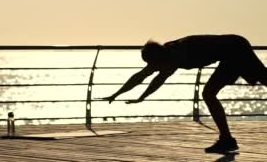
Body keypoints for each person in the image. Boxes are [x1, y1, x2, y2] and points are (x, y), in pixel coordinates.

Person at [102, 34, 266, 154]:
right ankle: (226, 139)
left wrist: (141, 97)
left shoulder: (174, 55)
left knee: (209, 93)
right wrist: (116, 95)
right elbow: (141, 76)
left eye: (152, 63)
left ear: (157, 57)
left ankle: (227, 140)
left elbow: (156, 80)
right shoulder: (166, 54)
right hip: (234, 46)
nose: (153, 67)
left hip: (234, 48)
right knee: (211, 93)